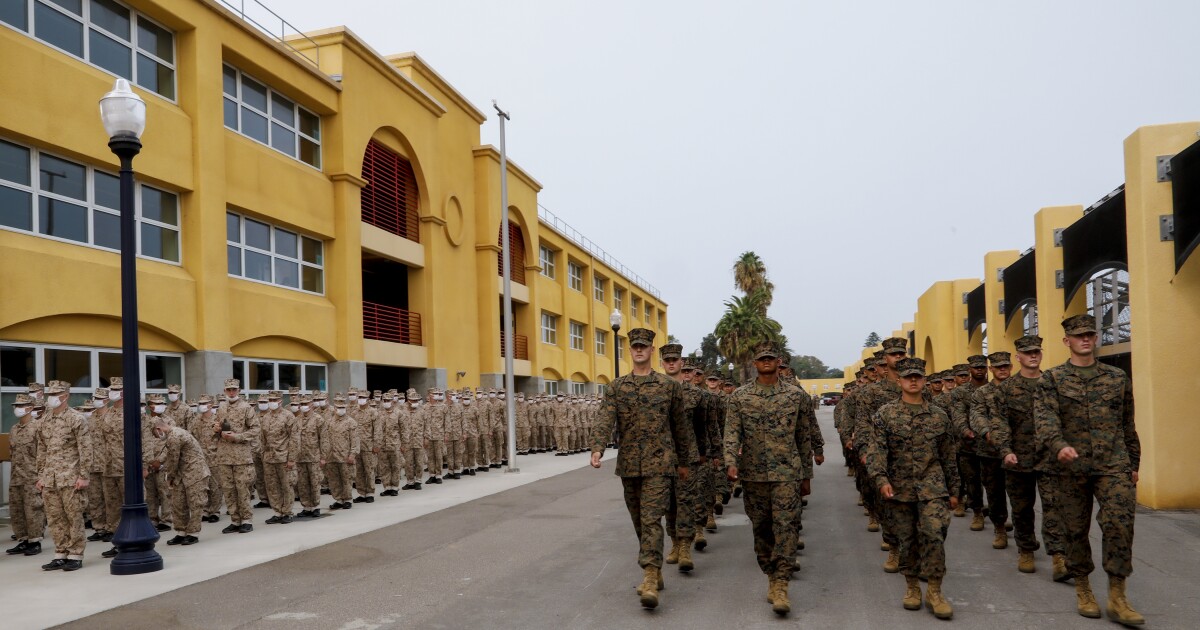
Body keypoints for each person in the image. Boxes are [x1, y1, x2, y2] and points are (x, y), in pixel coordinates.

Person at [1034, 314, 1142, 625]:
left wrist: (1133, 464)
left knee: (1120, 523)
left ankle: (1118, 596)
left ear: (1095, 339)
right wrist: (1059, 446)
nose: (1085, 339)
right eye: (1078, 335)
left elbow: (1127, 424)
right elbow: (1045, 421)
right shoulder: (1052, 380)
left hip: (1113, 463)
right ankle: (1083, 588)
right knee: (1074, 529)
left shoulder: (1117, 378)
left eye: (1090, 335)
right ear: (1066, 341)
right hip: (1070, 466)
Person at [590, 327, 695, 610]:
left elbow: (680, 427)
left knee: (650, 520)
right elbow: (605, 418)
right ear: (630, 350)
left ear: (651, 350)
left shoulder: (668, 387)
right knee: (639, 521)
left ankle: (650, 575)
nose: (638, 350)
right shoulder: (617, 386)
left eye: (643, 346)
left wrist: (684, 462)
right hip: (629, 465)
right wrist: (597, 447)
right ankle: (655, 569)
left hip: (660, 465)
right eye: (634, 346)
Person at [866, 358, 959, 619]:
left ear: (925, 380)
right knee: (907, 539)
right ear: (900, 381)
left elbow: (949, 456)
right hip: (900, 488)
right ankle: (911, 587)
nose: (914, 381)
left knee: (934, 534)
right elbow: (877, 452)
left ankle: (935, 590)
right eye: (908, 377)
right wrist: (882, 481)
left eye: (918, 376)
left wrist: (954, 491)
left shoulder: (939, 416)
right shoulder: (885, 414)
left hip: (933, 488)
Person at [723, 343, 811, 616]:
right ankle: (770, 573)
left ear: (778, 361)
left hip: (788, 473)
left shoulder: (796, 396)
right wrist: (730, 462)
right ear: (754, 363)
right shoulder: (740, 397)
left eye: (771, 358)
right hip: (754, 474)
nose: (766, 362)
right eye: (761, 359)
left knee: (787, 527)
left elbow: (804, 437)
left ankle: (782, 582)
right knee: (761, 527)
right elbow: (731, 433)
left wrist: (806, 475)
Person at [989, 335, 1066, 578]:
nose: (1033, 355)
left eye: (1037, 352)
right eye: (1028, 352)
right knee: (1022, 508)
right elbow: (999, 423)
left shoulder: (1054, 383)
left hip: (1049, 459)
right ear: (1018, 357)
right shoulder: (1007, 389)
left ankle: (1058, 555)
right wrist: (1005, 450)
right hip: (1018, 459)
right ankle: (1025, 548)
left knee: (1054, 507)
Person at [35, 382, 91, 571]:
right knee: (54, 517)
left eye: (56, 393)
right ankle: (60, 553)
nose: (52, 397)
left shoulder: (76, 419)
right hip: (50, 477)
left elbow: (85, 449)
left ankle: (75, 554)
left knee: (73, 516)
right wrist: (41, 474)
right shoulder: (45, 420)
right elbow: (41, 448)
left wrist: (84, 475)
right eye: (50, 393)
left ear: (65, 396)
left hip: (70, 477)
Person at [970, 351, 1014, 550]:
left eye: (1006, 366)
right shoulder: (982, 393)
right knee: (995, 492)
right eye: (998, 367)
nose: (1002, 369)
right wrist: (987, 432)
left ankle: (1022, 531)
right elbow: (977, 414)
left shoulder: (1018, 388)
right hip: (990, 451)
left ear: (1011, 367)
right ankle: (999, 528)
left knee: (1019, 494)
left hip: (1019, 449)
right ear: (991, 369)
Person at [153, 416, 210, 545]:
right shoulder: (172, 435)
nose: (157, 437)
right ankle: (181, 532)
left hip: (195, 473)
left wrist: (169, 477)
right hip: (182, 473)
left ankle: (193, 533)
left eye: (155, 434)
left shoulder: (175, 436)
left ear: (158, 429)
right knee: (178, 503)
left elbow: (173, 459)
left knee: (195, 504)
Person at [214, 379, 259, 534]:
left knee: (242, 489)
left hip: (241, 456)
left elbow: (255, 430)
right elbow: (218, 426)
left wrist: (238, 436)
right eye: (228, 389)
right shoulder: (221, 407)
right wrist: (216, 429)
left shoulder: (246, 408)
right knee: (228, 489)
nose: (231, 392)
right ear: (224, 391)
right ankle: (235, 520)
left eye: (234, 389)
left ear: (239, 390)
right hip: (224, 455)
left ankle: (246, 520)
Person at [950, 358, 989, 530]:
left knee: (994, 484)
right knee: (972, 481)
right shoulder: (960, 392)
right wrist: (966, 431)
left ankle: (997, 516)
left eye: (982, 367)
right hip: (968, 444)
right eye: (976, 368)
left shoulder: (995, 388)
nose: (979, 370)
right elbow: (957, 415)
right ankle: (978, 512)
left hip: (993, 445)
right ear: (970, 369)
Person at [7, 394, 45, 557]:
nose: (17, 409)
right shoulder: (14, 429)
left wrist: (42, 477)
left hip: (32, 477)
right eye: (16, 406)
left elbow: (44, 454)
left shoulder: (38, 427)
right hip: (16, 476)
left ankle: (34, 541)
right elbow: (11, 452)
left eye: (20, 406)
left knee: (33, 510)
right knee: (17, 510)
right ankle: (23, 539)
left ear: (30, 408)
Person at [260, 391, 299, 523]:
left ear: (280, 401)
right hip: (269, 458)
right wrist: (263, 454)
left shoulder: (288, 416)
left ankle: (287, 512)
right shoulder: (265, 417)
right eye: (270, 399)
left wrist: (292, 458)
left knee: (286, 485)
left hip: (283, 457)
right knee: (272, 486)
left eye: (274, 400)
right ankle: (277, 512)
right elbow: (262, 439)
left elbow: (294, 439)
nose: (272, 402)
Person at [322, 397, 359, 510]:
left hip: (345, 456)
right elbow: (324, 439)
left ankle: (347, 499)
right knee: (334, 479)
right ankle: (338, 499)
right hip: (331, 456)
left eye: (343, 407)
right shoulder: (328, 421)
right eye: (338, 407)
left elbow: (355, 440)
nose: (340, 410)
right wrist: (323, 455)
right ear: (334, 408)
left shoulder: (351, 422)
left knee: (346, 479)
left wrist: (352, 454)